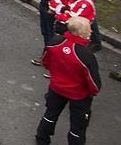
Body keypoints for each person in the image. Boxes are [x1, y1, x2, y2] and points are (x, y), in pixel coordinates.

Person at [35, 16, 100, 145]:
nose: (91, 31)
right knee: (78, 127)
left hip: (56, 88)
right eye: (89, 29)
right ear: (80, 33)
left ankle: (41, 139)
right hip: (78, 95)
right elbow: (94, 83)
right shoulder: (86, 55)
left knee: (50, 115)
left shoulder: (55, 42)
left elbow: (46, 61)